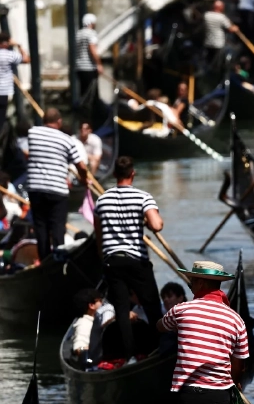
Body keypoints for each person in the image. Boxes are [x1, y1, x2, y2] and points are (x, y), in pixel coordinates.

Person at [157, 261, 249, 404]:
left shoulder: (182, 310)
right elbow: (240, 362)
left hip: (186, 395)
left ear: (200, 282)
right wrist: (234, 381)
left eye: (192, 282)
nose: (190, 286)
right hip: (219, 396)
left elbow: (161, 326)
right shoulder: (236, 319)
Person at [94, 156, 164, 360]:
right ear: (133, 173)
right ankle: (161, 346)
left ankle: (130, 355)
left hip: (111, 260)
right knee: (151, 304)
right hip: (136, 259)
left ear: (115, 174)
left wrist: (103, 257)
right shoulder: (143, 197)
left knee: (122, 310)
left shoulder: (102, 200)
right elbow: (157, 225)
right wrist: (151, 220)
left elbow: (98, 235)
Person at [26, 107, 87, 259]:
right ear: (59, 122)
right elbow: (81, 166)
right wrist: (84, 180)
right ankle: (59, 259)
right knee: (58, 227)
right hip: (57, 190)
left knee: (41, 227)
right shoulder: (67, 140)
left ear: (43, 121)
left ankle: (45, 260)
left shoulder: (33, 133)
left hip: (36, 188)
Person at [75, 13, 104, 106]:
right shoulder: (91, 34)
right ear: (91, 23)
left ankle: (82, 115)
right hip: (89, 68)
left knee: (83, 93)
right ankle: (92, 116)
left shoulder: (78, 34)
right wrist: (99, 64)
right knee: (92, 95)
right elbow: (92, 49)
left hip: (79, 68)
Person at [203, 0, 238, 67]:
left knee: (209, 60)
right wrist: (236, 28)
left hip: (208, 42)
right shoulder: (222, 17)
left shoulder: (206, 15)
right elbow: (230, 29)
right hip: (218, 43)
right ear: (221, 7)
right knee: (217, 61)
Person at [72, 288, 103, 355]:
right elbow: (79, 348)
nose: (102, 303)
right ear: (91, 305)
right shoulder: (83, 324)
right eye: (100, 301)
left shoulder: (101, 318)